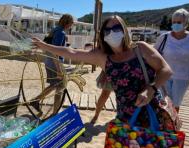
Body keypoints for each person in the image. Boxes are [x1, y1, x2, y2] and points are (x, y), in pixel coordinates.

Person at [33, 15, 175, 130]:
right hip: (125, 117)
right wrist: (44, 46)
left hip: (152, 114)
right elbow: (72, 52)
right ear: (103, 35)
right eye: (107, 30)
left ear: (124, 30)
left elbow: (166, 70)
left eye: (116, 28)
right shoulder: (103, 57)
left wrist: (150, 90)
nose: (112, 33)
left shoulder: (141, 49)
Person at [154, 8, 189, 113]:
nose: (175, 24)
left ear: (186, 23)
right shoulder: (164, 37)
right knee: (162, 102)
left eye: (179, 22)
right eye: (173, 22)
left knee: (175, 104)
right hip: (164, 75)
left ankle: (172, 126)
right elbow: (153, 54)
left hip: (182, 77)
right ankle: (163, 125)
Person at [31, 14, 74, 116]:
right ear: (67, 23)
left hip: (49, 61)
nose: (71, 26)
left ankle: (37, 101)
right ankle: (55, 112)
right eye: (71, 23)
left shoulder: (55, 30)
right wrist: (59, 69)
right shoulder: (61, 33)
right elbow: (56, 52)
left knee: (55, 85)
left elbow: (49, 47)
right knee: (61, 86)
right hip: (55, 63)